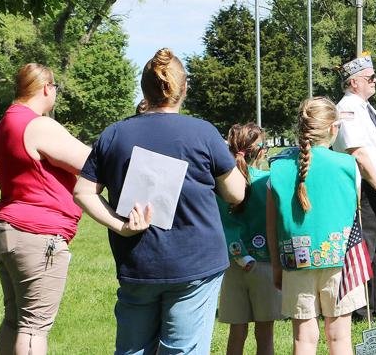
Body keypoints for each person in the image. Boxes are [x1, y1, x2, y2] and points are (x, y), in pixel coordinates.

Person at [73, 48, 246, 354]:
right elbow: (236, 193)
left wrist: (120, 225)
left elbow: (83, 192)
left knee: (132, 350)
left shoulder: (114, 134)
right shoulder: (203, 133)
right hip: (195, 264)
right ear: (184, 88)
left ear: (144, 88)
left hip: (138, 263)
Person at [0, 63, 91, 355]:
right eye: (55, 88)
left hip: (5, 228)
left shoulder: (7, 122)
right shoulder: (38, 124)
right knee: (34, 327)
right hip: (37, 233)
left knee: (14, 320)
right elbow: (91, 162)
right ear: (47, 88)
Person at [267, 97, 365, 354]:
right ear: (333, 128)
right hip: (342, 260)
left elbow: (272, 224)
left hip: (295, 260)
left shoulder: (277, 168)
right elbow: (356, 214)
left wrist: (276, 266)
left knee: (303, 339)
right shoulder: (348, 165)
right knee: (340, 337)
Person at [331, 55, 376, 321]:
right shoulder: (347, 108)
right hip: (363, 186)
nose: (375, 82)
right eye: (370, 78)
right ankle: (360, 309)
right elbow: (358, 153)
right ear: (353, 82)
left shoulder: (367, 108)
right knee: (364, 248)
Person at [217, 123, 282, 355]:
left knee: (237, 332)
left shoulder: (221, 183)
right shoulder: (269, 181)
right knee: (265, 335)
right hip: (264, 264)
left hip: (231, 265)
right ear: (261, 150)